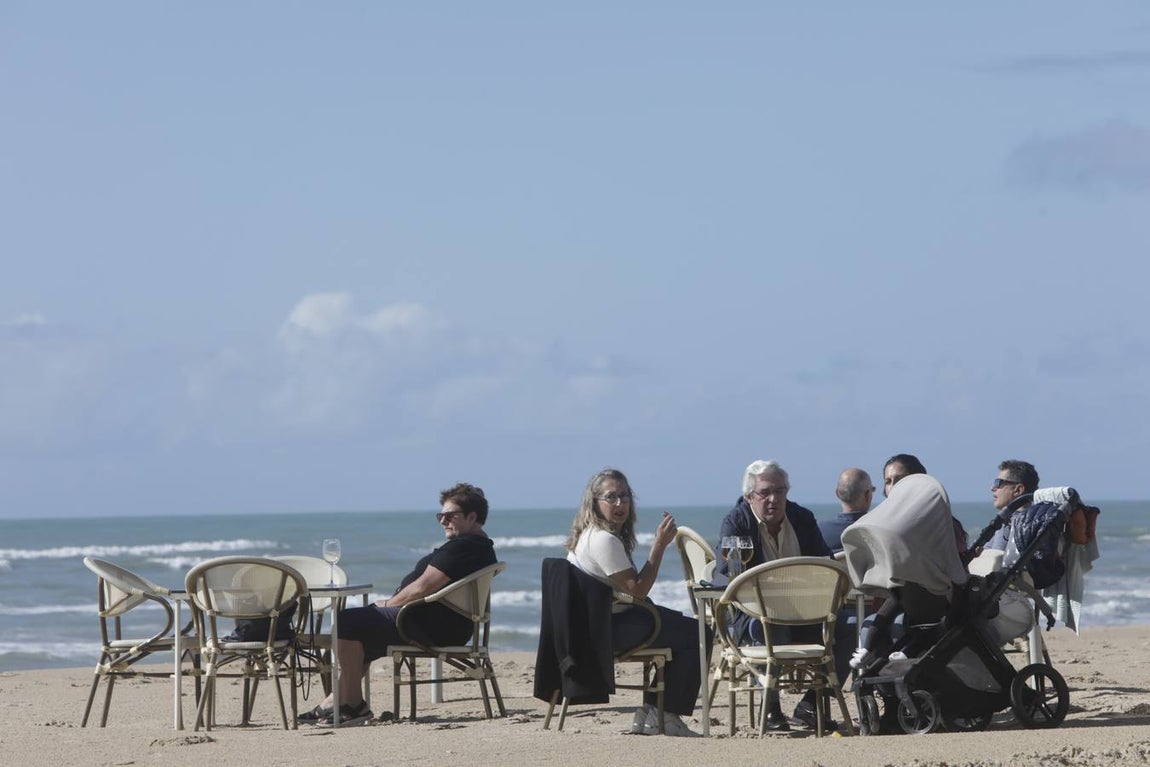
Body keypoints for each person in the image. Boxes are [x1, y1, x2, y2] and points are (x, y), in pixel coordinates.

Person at [298, 482, 497, 726]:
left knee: (347, 623)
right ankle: (334, 701)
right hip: (440, 622)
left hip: (428, 626)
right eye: (440, 515)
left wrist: (389, 605)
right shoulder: (479, 547)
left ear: (472, 517)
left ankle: (353, 706)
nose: (443, 521)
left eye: (450, 515)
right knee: (360, 627)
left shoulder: (464, 547)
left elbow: (422, 588)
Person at [566, 468, 709, 737]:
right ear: (595, 502)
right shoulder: (603, 540)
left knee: (679, 623)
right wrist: (659, 545)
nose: (619, 503)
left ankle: (653, 709)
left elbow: (631, 594)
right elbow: (638, 591)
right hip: (606, 632)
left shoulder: (590, 534)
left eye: (625, 496)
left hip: (598, 625)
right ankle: (664, 713)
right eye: (611, 497)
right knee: (700, 633)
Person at [717, 459, 839, 731]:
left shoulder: (802, 518)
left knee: (851, 627)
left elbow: (825, 561)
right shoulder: (736, 522)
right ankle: (771, 709)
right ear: (750, 497)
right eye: (765, 493)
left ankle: (809, 706)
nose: (774, 499)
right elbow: (724, 572)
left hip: (805, 612)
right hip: (756, 616)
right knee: (770, 626)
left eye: (780, 491)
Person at [883, 453, 968, 557]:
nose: (893, 486)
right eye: (888, 481)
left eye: (899, 480)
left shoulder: (944, 523)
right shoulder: (883, 523)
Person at [819, 467, 875, 553]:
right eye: (873, 490)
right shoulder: (876, 530)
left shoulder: (819, 532)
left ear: (837, 494)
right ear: (867, 495)